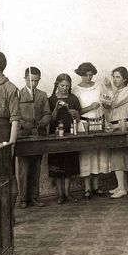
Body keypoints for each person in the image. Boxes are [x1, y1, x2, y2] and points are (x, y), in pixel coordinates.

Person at [72, 62, 109, 199]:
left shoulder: (99, 86)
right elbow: (76, 111)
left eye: (90, 75)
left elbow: (107, 101)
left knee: (98, 154)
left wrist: (104, 103)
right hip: (84, 124)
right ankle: (87, 188)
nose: (88, 77)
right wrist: (90, 108)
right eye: (85, 75)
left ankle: (96, 187)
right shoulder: (76, 90)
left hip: (98, 123)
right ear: (80, 75)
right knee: (86, 155)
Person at [16, 67, 51, 209]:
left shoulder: (42, 95)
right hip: (23, 135)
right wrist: (26, 125)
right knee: (24, 168)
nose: (34, 83)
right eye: (31, 80)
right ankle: (23, 199)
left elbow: (47, 113)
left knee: (36, 166)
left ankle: (34, 197)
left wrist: (42, 122)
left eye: (36, 80)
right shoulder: (17, 94)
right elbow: (15, 115)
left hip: (39, 135)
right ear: (25, 79)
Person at [48, 74, 81, 204]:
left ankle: (68, 194)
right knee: (57, 166)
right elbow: (50, 120)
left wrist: (72, 111)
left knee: (69, 166)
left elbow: (77, 119)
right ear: (57, 85)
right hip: (55, 137)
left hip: (70, 135)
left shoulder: (73, 99)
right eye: (62, 85)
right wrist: (56, 109)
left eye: (67, 86)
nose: (65, 88)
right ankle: (60, 195)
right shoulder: (51, 100)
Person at [103, 67, 128, 198]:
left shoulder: (127, 91)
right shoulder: (118, 91)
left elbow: (112, 103)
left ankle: (122, 188)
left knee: (120, 156)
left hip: (123, 125)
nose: (115, 80)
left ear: (125, 79)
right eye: (114, 77)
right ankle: (123, 185)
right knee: (117, 155)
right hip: (115, 125)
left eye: (118, 77)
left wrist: (109, 88)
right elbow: (106, 105)